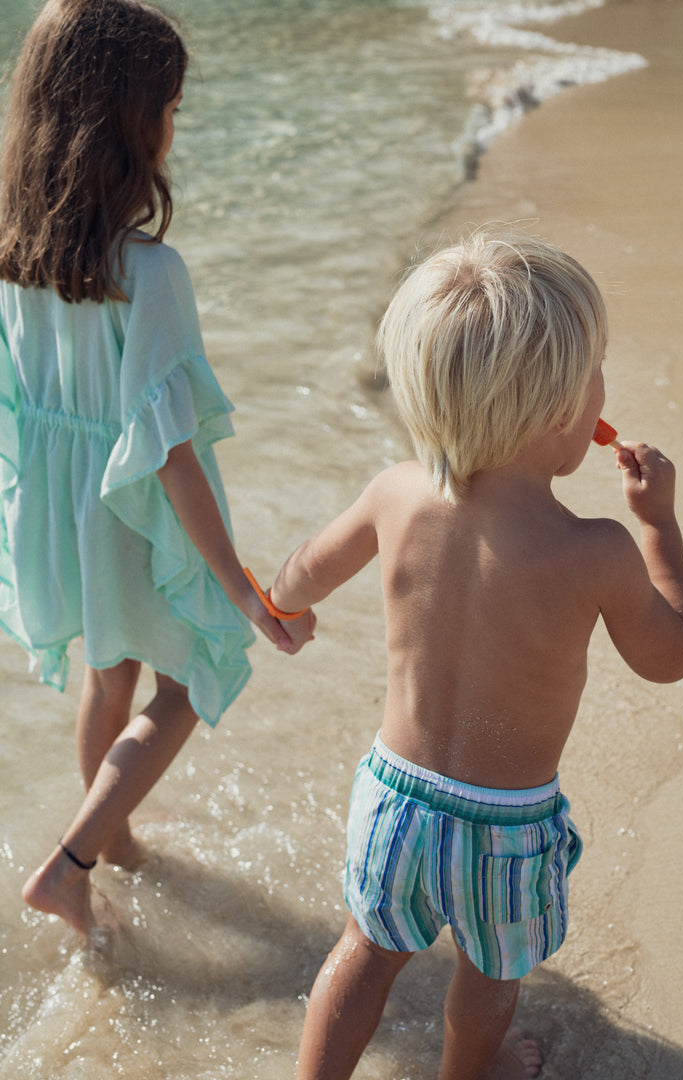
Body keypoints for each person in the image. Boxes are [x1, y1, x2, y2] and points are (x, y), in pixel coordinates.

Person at [270, 230, 683, 1080]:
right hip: (506, 829)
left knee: (365, 950)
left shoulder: (396, 492)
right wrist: (660, 527)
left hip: (395, 798)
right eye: (597, 375)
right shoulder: (598, 549)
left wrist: (283, 608)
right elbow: (671, 656)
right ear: (560, 412)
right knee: (491, 974)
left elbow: (302, 573)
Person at [0, 0, 315, 939]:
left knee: (110, 672)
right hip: (133, 510)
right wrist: (245, 591)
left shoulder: (16, 260)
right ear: (130, 127)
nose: (175, 130)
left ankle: (117, 841)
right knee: (185, 681)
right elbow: (170, 454)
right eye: (170, 110)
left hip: (63, 510)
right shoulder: (152, 272)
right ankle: (75, 859)